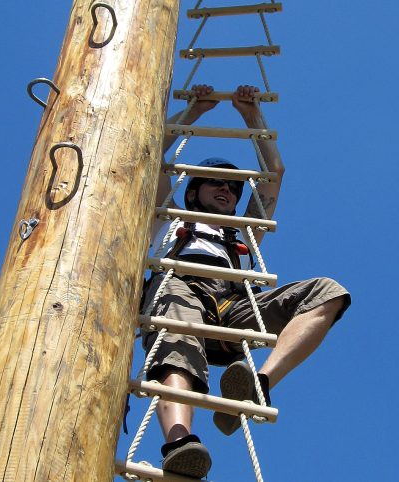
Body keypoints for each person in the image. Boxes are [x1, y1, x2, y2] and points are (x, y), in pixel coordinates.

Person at [142, 84, 351, 478]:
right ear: (193, 193)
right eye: (216, 183)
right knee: (177, 333)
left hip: (235, 305)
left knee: (328, 292)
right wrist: (193, 114)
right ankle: (180, 441)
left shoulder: (243, 232)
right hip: (184, 285)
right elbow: (151, 152)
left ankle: (258, 382)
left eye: (233, 187)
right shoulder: (170, 218)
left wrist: (251, 117)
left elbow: (275, 173)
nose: (226, 189)